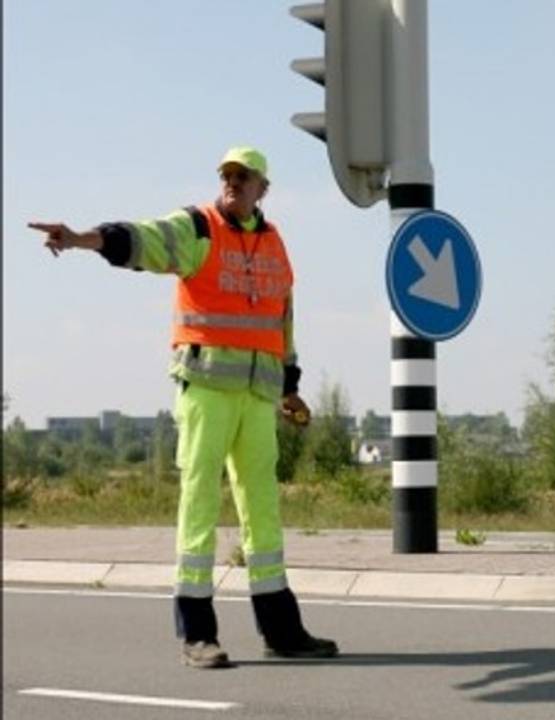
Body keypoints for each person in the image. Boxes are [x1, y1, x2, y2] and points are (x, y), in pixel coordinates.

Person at [29, 147, 338, 669]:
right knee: (199, 506)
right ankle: (198, 635)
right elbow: (143, 240)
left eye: (244, 177)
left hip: (258, 396)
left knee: (263, 511)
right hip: (207, 391)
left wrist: (289, 386)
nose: (233, 183)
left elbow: (282, 320)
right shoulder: (199, 228)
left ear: (264, 188)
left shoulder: (274, 242)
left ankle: (282, 631)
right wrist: (82, 238)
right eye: (227, 175)